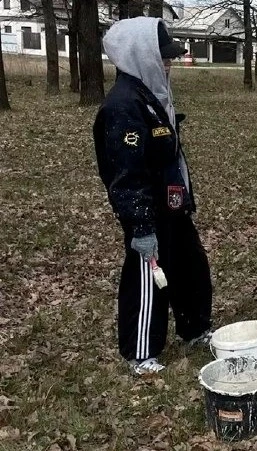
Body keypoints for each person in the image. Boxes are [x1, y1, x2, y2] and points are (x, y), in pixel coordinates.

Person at [92, 17, 213, 375]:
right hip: (148, 213)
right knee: (148, 281)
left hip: (173, 207)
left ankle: (195, 329)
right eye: (163, 56)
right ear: (140, 55)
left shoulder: (150, 95)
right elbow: (125, 174)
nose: (170, 62)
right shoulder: (123, 106)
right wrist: (141, 227)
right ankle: (141, 352)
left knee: (190, 267)